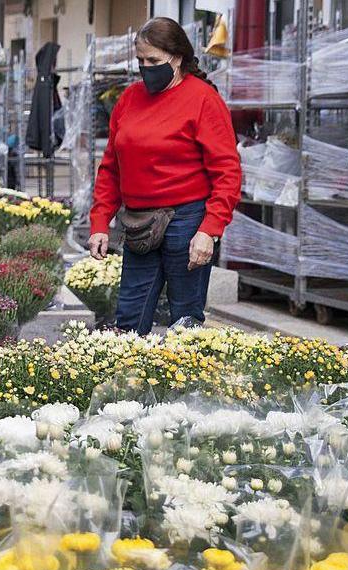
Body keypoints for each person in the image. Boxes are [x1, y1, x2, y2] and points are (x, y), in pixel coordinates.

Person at [88, 17, 241, 335]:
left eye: (154, 61)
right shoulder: (129, 99)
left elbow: (227, 172)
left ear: (178, 56)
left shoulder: (203, 99)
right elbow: (111, 168)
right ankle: (128, 385)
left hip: (187, 221)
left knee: (185, 321)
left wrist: (209, 230)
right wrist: (100, 222)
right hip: (138, 222)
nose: (146, 67)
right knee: (129, 318)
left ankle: (185, 386)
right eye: (141, 61)